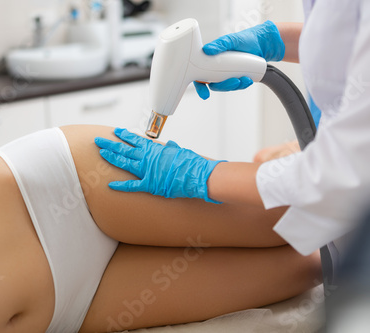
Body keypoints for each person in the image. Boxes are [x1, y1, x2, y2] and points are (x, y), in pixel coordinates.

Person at [0, 125, 320, 333]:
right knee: (312, 263)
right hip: (73, 311)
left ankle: (282, 160)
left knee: (298, 218)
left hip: (54, 192)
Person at [96, 0, 370, 257]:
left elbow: (343, 173)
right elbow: (344, 37)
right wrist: (275, 40)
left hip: (346, 186)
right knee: (265, 160)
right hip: (338, 171)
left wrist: (201, 174)